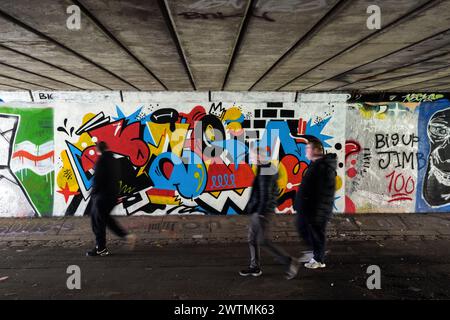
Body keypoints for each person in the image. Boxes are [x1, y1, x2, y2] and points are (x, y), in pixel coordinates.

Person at [239, 147, 299, 280]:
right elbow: (259, 192)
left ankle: (289, 262)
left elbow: (265, 195)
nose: (252, 158)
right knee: (252, 238)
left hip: (263, 211)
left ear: (260, 157)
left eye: (254, 156)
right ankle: (255, 266)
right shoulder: (264, 168)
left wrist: (260, 212)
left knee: (263, 240)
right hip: (258, 210)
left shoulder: (266, 171)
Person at [86, 141, 136, 257]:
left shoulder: (102, 161)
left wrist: (93, 193)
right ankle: (124, 237)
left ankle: (102, 248)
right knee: (105, 219)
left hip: (102, 197)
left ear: (98, 150)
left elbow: (98, 179)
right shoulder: (114, 160)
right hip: (112, 195)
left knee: (97, 221)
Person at [294, 137, 337, 269]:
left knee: (316, 233)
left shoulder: (324, 167)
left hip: (317, 210)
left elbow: (321, 192)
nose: (306, 151)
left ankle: (319, 259)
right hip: (310, 209)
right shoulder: (316, 165)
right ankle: (316, 253)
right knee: (304, 228)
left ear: (317, 150)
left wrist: (316, 210)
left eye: (308, 148)